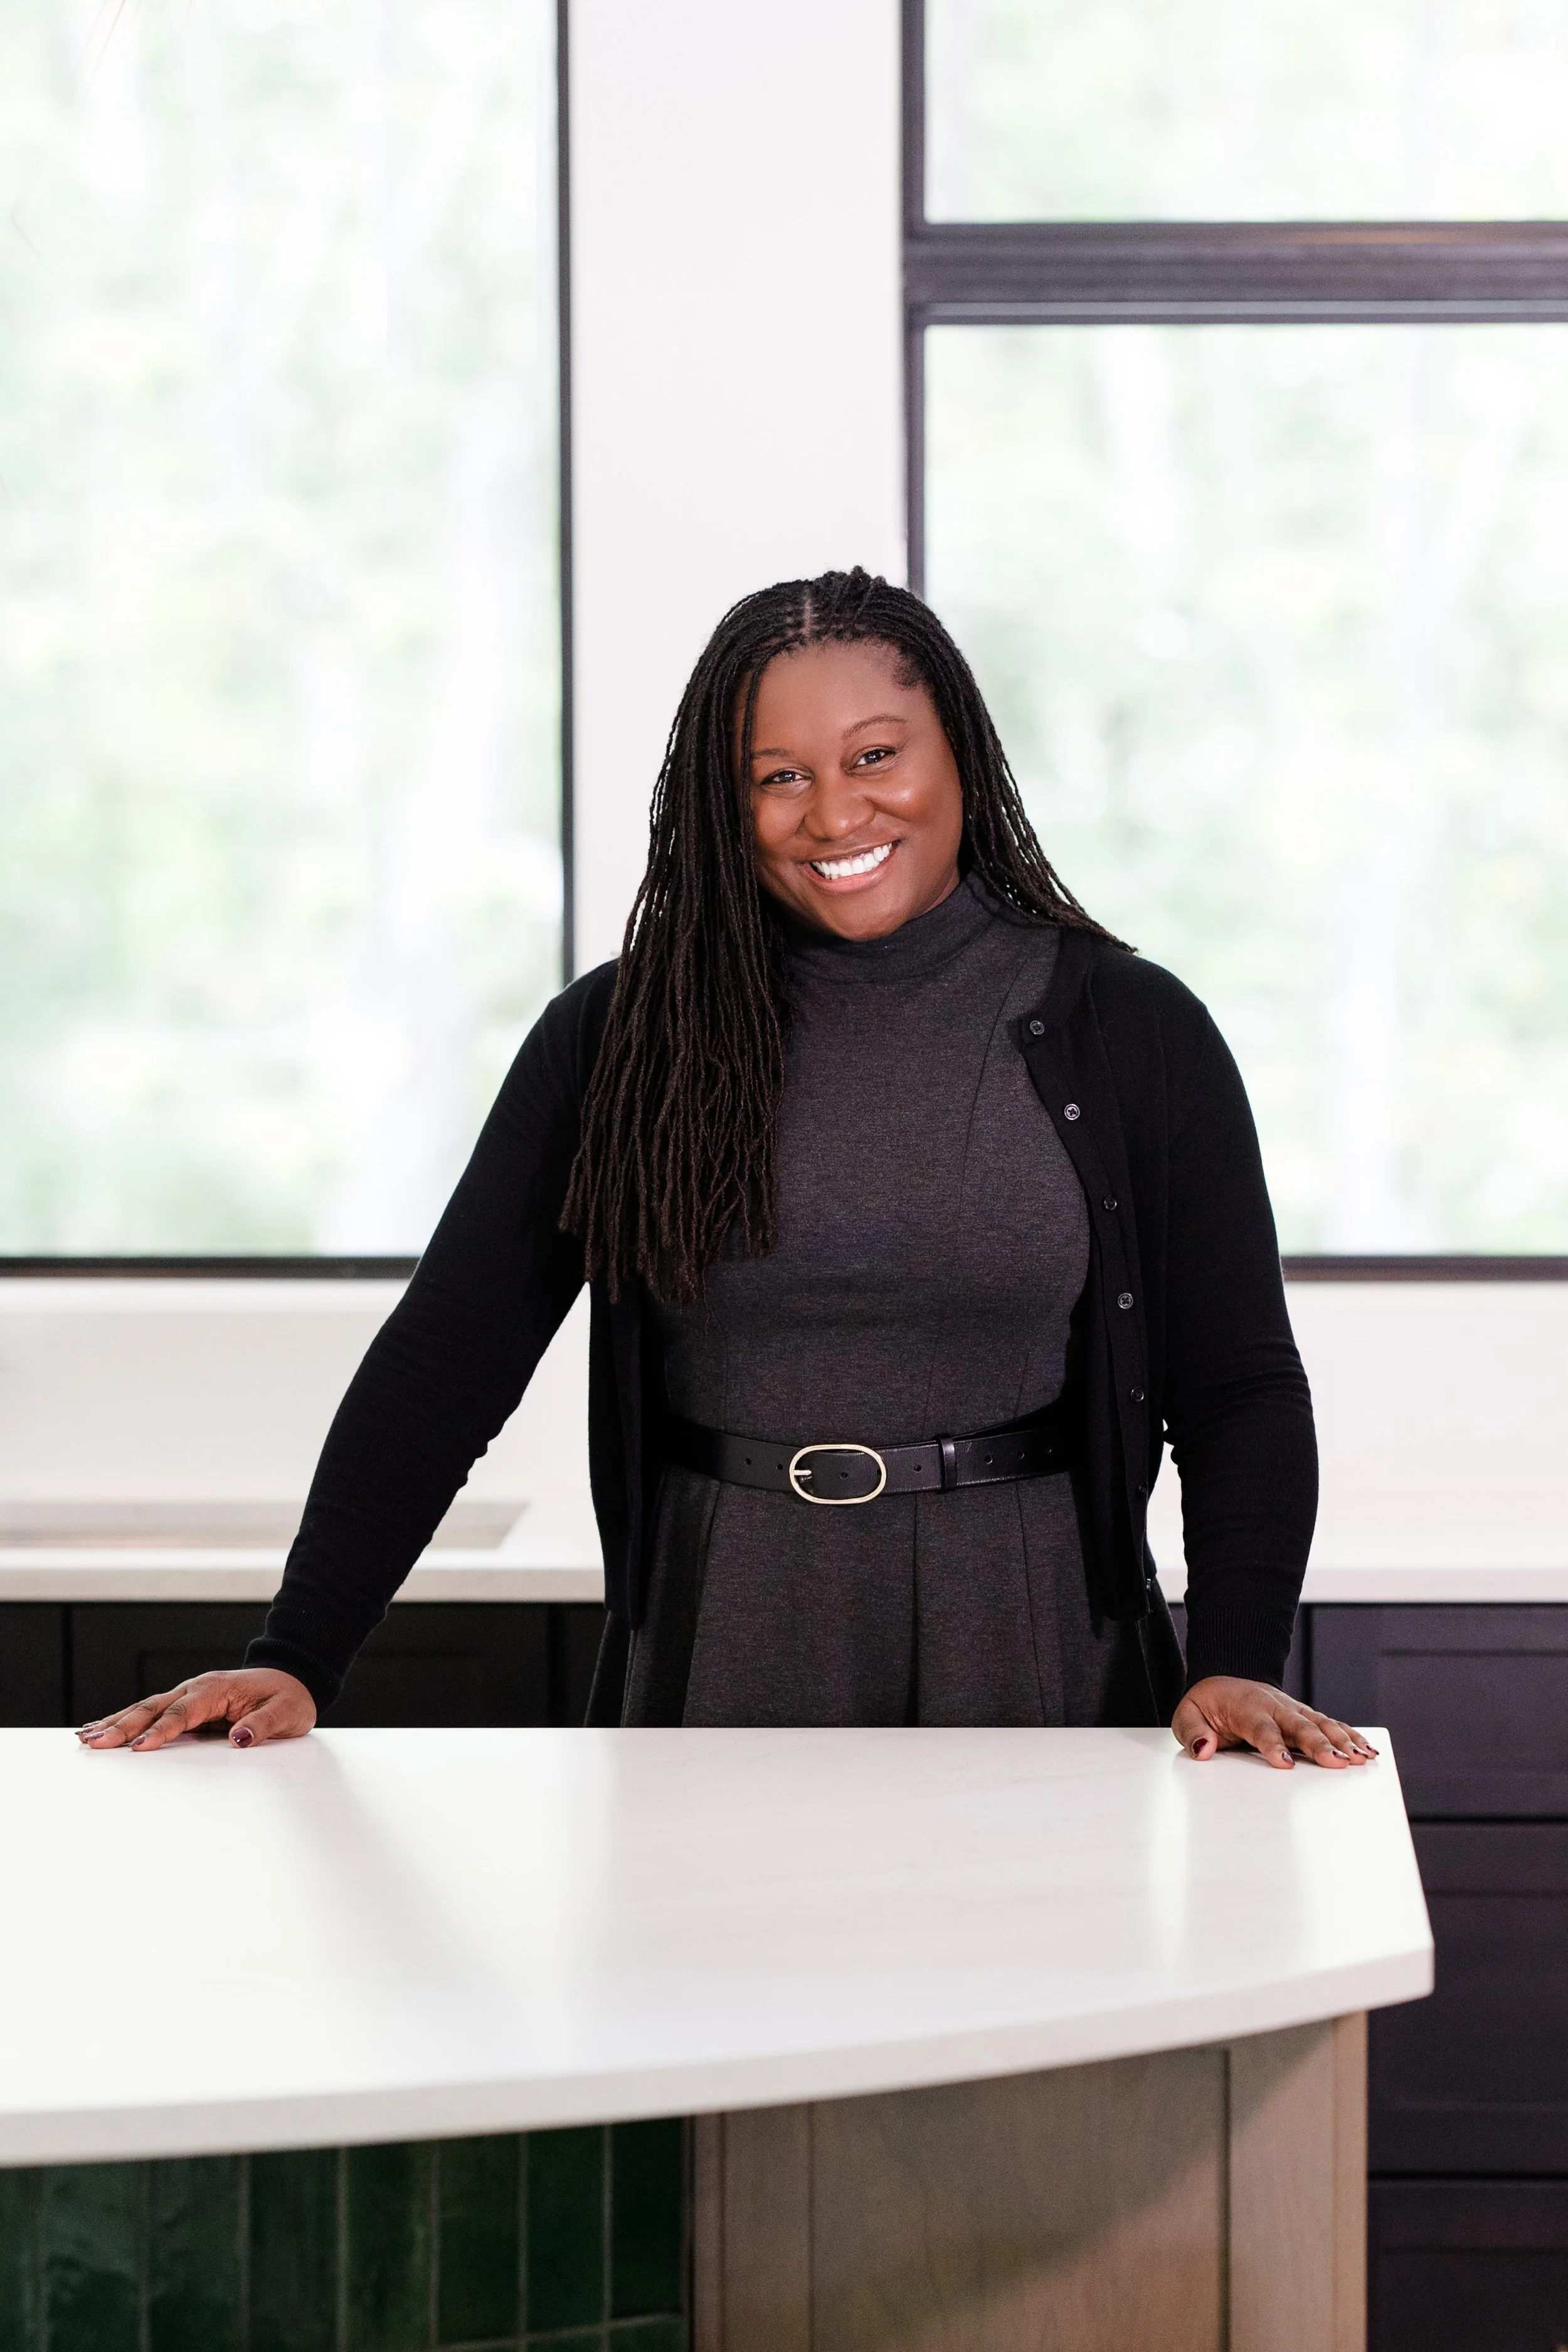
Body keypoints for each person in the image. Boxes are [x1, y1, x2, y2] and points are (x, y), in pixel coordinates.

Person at [80, 569, 1374, 1771]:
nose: (834, 812)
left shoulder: (1130, 1027)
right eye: (777, 775)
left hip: (1030, 1622)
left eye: (875, 756)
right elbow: (448, 1355)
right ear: (723, 797)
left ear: (957, 756)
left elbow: (1236, 1383)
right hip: (726, 1616)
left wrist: (1234, 1659)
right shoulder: (620, 1038)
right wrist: (296, 1652)